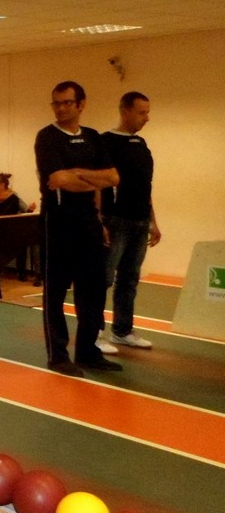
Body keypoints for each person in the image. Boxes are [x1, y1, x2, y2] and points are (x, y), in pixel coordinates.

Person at [34, 80, 121, 377]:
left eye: (66, 103)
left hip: (89, 222)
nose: (60, 108)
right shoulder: (47, 137)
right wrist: (92, 179)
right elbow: (58, 180)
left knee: (93, 290)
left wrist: (77, 174)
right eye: (56, 103)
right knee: (56, 292)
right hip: (57, 222)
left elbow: (112, 178)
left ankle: (87, 351)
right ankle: (58, 356)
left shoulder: (93, 137)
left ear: (81, 104)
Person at [96, 92, 161, 353]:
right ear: (125, 112)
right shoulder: (105, 143)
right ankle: (93, 333)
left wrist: (152, 221)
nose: (147, 118)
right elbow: (97, 185)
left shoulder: (142, 145)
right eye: (141, 112)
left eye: (147, 112)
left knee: (129, 279)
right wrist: (99, 220)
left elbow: (145, 187)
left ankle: (122, 331)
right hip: (115, 220)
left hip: (139, 221)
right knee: (103, 278)